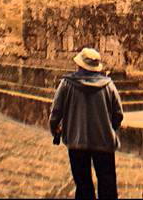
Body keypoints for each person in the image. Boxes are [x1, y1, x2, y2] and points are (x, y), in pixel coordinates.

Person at [49, 47, 124, 200]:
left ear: (79, 65)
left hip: (77, 142)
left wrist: (55, 127)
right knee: (107, 184)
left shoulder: (66, 84)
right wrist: (110, 127)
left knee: (83, 186)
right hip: (103, 141)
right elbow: (118, 114)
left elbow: (56, 110)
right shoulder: (108, 85)